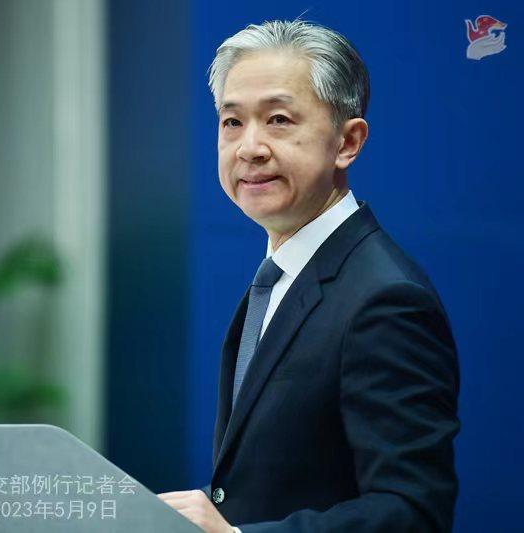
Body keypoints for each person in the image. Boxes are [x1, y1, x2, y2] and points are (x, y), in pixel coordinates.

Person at [158, 20, 460, 533]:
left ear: (348, 142)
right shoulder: (279, 276)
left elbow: (413, 512)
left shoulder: (387, 299)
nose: (249, 147)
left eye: (278, 119)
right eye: (232, 122)